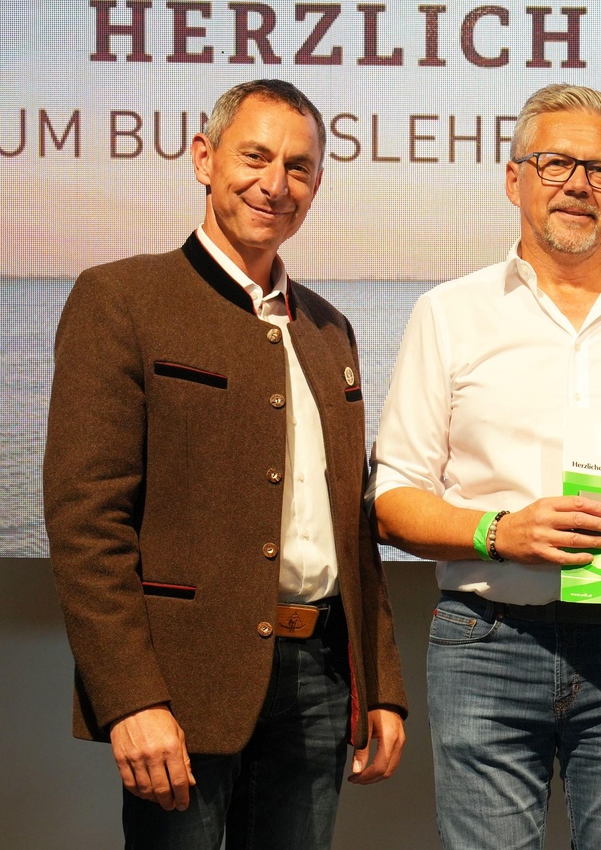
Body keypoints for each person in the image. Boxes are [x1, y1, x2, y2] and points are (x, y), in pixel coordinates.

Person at [370, 83, 601, 850]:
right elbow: (394, 498)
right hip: (485, 641)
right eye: (554, 163)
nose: (578, 183)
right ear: (514, 180)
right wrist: (500, 531)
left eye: (600, 170)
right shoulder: (449, 313)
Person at [45, 79, 407, 849]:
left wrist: (381, 685)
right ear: (204, 159)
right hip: (181, 686)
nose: (276, 184)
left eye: (300, 167)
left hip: (318, 681)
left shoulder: (328, 328)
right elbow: (86, 523)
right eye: (255, 156)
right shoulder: (120, 298)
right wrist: (128, 698)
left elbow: (352, 524)